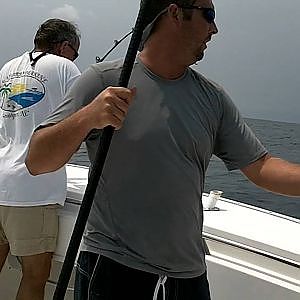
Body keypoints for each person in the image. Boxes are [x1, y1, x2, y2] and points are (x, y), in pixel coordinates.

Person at [25, 1, 300, 299]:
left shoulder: (213, 98)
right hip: (113, 268)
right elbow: (37, 161)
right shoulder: (104, 80)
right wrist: (88, 116)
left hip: (189, 276)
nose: (215, 29)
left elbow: (262, 166)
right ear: (175, 13)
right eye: (209, 15)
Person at [0, 18, 81, 299]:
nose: (75, 58)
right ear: (65, 45)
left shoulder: (7, 68)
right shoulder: (65, 67)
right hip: (32, 189)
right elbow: (86, 117)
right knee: (35, 276)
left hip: (1, 181)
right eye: (76, 52)